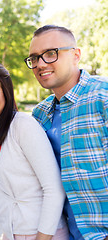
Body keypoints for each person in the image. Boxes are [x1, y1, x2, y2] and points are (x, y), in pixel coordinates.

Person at [25, 25, 108, 240]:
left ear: (76, 55)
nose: (40, 64)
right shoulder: (40, 114)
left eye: (51, 53)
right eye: (34, 58)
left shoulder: (103, 96)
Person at [0, 60, 67, 240]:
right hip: (12, 232)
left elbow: (54, 188)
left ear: (6, 94)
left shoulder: (22, 125)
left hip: (45, 233)